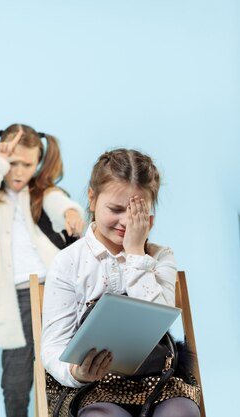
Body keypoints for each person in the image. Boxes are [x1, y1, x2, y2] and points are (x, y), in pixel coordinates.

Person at [41, 148, 201, 416]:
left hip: (155, 380)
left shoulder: (160, 256)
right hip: (91, 385)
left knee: (181, 412)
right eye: (115, 209)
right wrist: (76, 372)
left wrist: (136, 253)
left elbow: (158, 319)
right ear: (92, 199)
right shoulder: (69, 262)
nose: (126, 222)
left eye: (137, 211)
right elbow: (53, 345)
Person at [0, 124, 84, 417]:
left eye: (26, 164)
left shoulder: (43, 192)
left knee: (63, 373)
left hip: (55, 290)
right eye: (12, 163)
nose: (18, 172)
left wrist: (71, 213)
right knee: (15, 383)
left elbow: (59, 204)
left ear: (37, 162)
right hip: (16, 296)